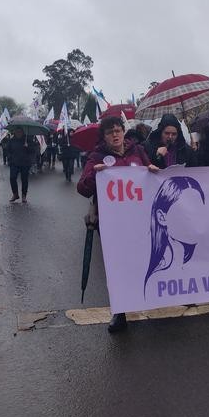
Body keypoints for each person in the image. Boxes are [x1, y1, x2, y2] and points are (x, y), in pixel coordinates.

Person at [77, 116, 159, 333]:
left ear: (124, 131)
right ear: (104, 137)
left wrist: (152, 170)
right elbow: (83, 188)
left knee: (143, 260)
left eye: (118, 130)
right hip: (112, 222)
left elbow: (152, 176)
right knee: (117, 266)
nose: (115, 134)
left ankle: (147, 298)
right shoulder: (96, 157)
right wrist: (96, 175)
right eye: (109, 132)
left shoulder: (138, 151)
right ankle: (120, 311)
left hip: (140, 218)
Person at [6, 127, 38, 203]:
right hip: (14, 163)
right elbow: (7, 150)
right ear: (15, 132)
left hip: (25, 163)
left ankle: (24, 196)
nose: (18, 133)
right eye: (17, 132)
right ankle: (15, 194)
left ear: (22, 133)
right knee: (12, 178)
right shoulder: (11, 140)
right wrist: (10, 159)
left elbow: (33, 150)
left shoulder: (27, 140)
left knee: (24, 180)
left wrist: (28, 147)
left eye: (20, 132)